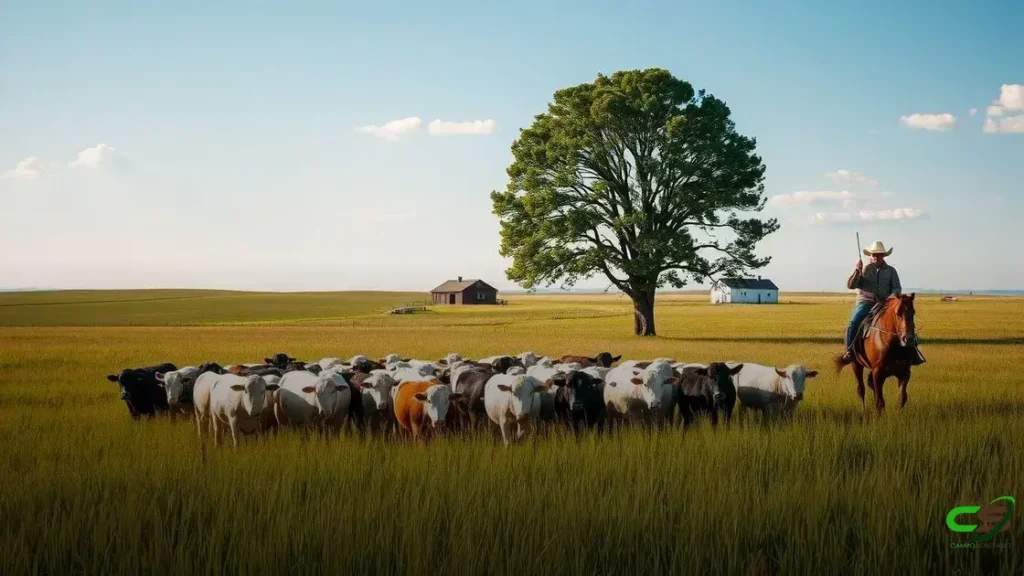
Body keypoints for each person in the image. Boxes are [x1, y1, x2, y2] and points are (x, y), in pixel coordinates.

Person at [842, 240, 925, 365]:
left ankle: (913, 354)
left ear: (883, 256)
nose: (876, 256)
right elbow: (851, 285)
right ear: (870, 255)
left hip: (885, 303)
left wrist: (890, 299)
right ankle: (849, 352)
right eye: (874, 254)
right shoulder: (864, 269)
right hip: (866, 303)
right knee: (853, 323)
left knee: (906, 323)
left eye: (879, 254)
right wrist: (857, 271)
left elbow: (897, 288)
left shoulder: (891, 271)